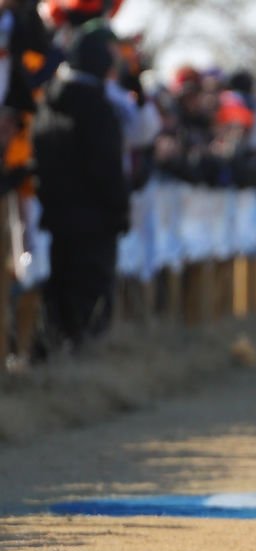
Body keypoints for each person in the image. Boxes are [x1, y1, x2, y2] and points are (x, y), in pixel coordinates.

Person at [32, 20, 129, 351]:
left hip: (59, 221)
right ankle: (82, 370)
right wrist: (119, 210)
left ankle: (56, 365)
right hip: (94, 222)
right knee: (88, 304)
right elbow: (107, 168)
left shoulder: (50, 102)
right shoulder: (95, 107)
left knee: (59, 297)